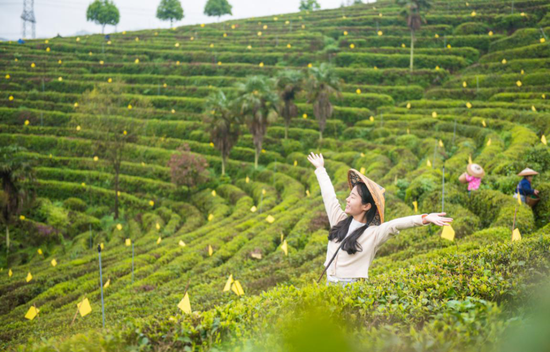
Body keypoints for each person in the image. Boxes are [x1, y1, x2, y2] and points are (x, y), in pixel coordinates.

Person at [307, 152, 453, 288]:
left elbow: (395, 225)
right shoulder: (339, 220)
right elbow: (329, 197)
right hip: (329, 283)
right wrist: (320, 169)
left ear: (366, 206)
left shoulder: (374, 234)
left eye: (352, 197)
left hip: (351, 287)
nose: (347, 199)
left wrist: (424, 218)